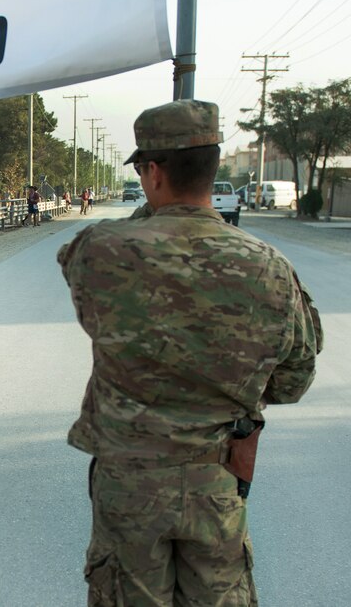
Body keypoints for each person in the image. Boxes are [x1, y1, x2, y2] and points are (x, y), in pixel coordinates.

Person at [56, 100, 322, 606]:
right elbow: (292, 381)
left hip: (129, 483)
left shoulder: (101, 249)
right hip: (216, 479)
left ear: (152, 171)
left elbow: (85, 285)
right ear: (214, 166)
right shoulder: (268, 265)